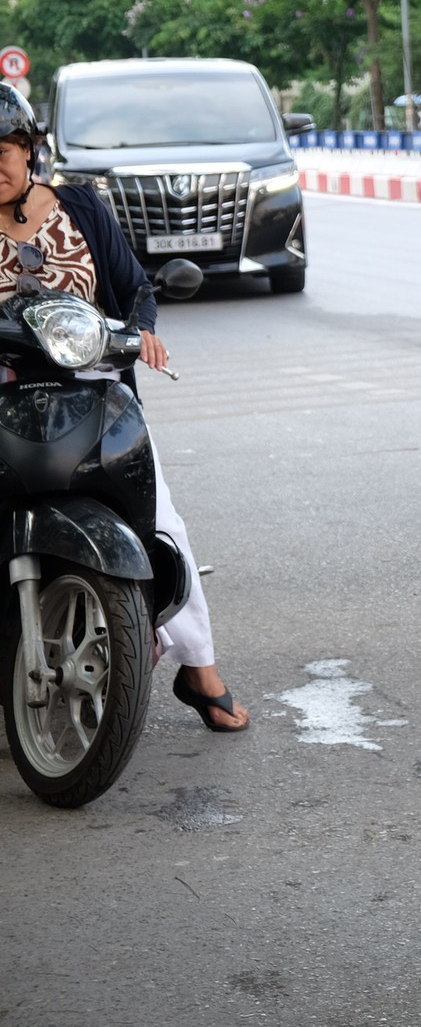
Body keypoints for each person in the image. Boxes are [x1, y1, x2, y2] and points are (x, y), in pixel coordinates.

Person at [0, 84, 246, 732]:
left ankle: (200, 669)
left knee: (164, 522)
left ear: (30, 151)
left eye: (5, 149)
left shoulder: (80, 206)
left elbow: (135, 288)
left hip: (92, 394)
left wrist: (143, 329)